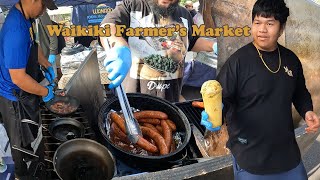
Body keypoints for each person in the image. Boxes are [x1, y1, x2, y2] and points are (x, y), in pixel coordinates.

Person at [201, 0, 320, 179]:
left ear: (281, 28)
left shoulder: (290, 59)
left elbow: (299, 92)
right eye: (257, 23)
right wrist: (213, 116)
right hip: (250, 157)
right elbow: (222, 98)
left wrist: (307, 110)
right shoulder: (238, 61)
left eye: (270, 23)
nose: (262, 30)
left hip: (287, 155)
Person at [100, 0, 217, 102]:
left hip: (171, 99)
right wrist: (119, 46)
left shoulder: (184, 14)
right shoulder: (131, 6)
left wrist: (214, 46)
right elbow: (108, 27)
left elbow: (192, 41)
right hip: (134, 100)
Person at [0, 0, 57, 178]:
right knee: (22, 146)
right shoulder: (15, 29)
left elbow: (34, 45)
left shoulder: (28, 18)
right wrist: (46, 92)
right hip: (14, 99)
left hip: (24, 92)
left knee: (32, 137)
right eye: (44, 5)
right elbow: (18, 78)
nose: (44, 10)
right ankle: (23, 175)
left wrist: (46, 63)